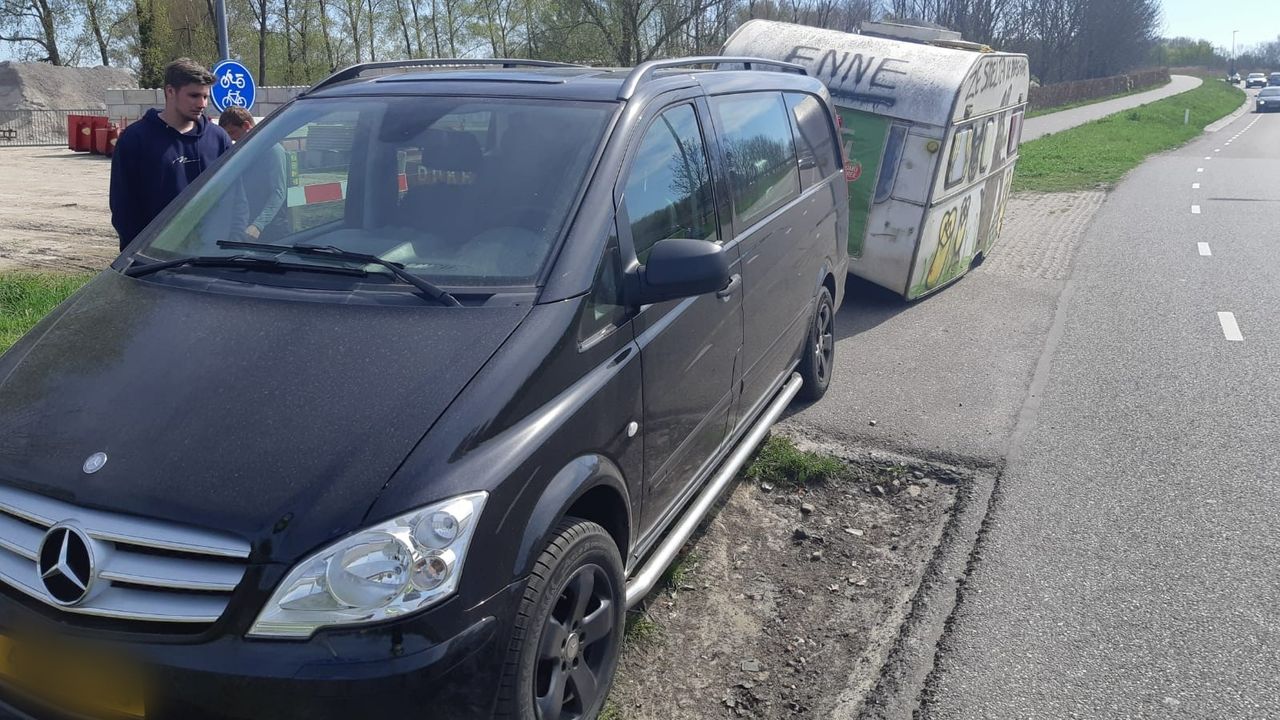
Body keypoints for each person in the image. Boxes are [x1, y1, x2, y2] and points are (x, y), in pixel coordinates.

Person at [109, 58, 233, 250]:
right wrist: (138, 255)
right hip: (154, 259)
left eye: (205, 97)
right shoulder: (135, 139)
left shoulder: (218, 139)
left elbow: (234, 197)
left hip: (211, 256)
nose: (202, 104)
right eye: (194, 95)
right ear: (170, 91)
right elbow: (123, 206)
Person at [217, 107, 288, 240]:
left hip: (271, 229)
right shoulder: (240, 152)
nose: (231, 139)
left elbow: (279, 192)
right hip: (245, 226)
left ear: (246, 126)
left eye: (233, 132)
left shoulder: (273, 150)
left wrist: (258, 225)